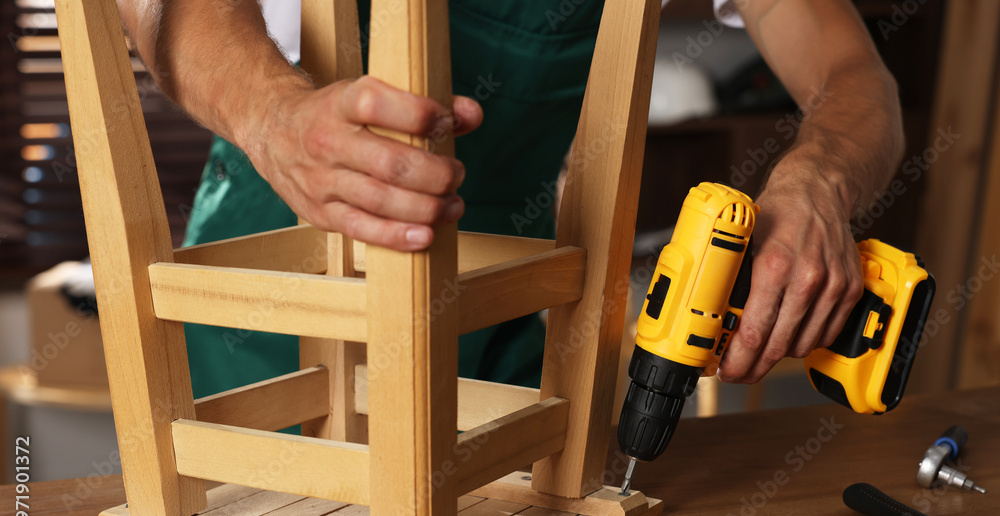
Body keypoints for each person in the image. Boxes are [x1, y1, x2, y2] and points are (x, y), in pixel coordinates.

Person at [116, 0, 903, 399]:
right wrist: (270, 115)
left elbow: (858, 78)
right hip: (277, 308)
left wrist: (817, 182)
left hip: (504, 308)